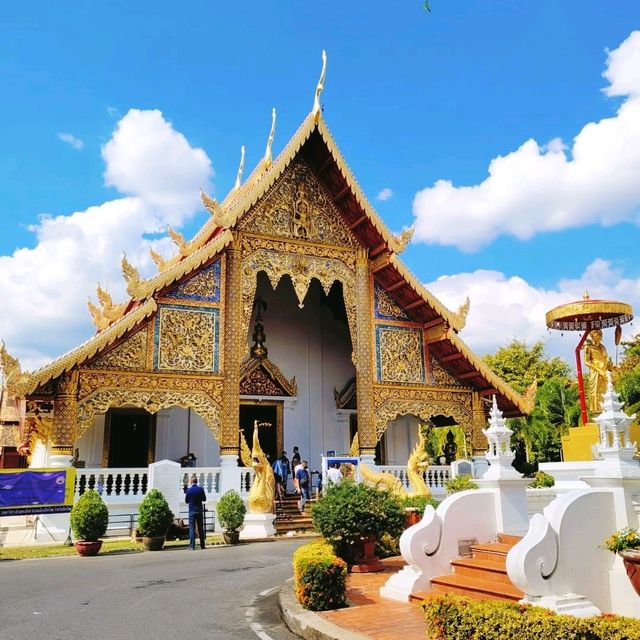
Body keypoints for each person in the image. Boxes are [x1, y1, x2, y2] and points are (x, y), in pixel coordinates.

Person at [584, 329, 613, 414]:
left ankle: (607, 408)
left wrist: (610, 366)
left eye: (601, 334)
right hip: (595, 371)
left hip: (604, 370)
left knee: (606, 389)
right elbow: (586, 362)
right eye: (598, 334)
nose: (600, 336)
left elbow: (605, 359)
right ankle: (597, 411)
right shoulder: (588, 347)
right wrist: (598, 369)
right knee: (595, 390)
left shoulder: (602, 347)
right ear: (593, 336)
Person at [184, 474, 207, 550]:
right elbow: (204, 499)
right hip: (199, 510)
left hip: (192, 511)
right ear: (197, 481)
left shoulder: (188, 490)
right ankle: (202, 545)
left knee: (192, 528)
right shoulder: (200, 489)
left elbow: (186, 501)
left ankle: (192, 546)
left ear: (191, 481)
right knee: (200, 528)